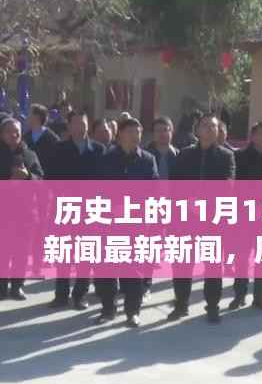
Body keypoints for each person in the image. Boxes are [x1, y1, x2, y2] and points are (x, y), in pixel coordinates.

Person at [169, 113, 235, 324]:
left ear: (218, 131)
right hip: (185, 218)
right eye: (205, 125)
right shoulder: (185, 154)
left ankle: (212, 306)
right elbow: (174, 185)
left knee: (213, 266)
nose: (209, 129)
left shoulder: (226, 156)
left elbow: (228, 185)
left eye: (213, 126)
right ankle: (181, 304)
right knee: (182, 265)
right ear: (197, 130)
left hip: (212, 220)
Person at [95, 118, 159, 328]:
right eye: (130, 131)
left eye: (138, 132)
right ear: (120, 134)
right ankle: (108, 309)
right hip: (109, 223)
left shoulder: (147, 160)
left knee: (134, 271)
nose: (135, 136)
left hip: (136, 224)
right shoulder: (107, 159)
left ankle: (132, 312)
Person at [48, 111, 106, 310]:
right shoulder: (59, 149)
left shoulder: (98, 150)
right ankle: (61, 295)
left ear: (88, 125)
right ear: (69, 126)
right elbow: (50, 178)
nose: (80, 127)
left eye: (83, 123)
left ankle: (80, 295)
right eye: (76, 123)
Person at [229, 122, 262, 311]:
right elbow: (236, 185)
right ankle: (239, 295)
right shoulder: (239, 157)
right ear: (252, 136)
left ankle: (259, 296)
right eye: (261, 134)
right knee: (242, 257)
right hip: (244, 214)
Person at [0, 118, 44, 301]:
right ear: (2, 134)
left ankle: (17, 286)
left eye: (17, 131)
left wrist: (28, 177)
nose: (14, 134)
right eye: (9, 131)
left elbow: (41, 181)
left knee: (21, 252)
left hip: (25, 213)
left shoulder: (30, 155)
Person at [143, 116, 179, 299]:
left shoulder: (180, 156)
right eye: (158, 130)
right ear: (153, 133)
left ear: (172, 132)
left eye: (166, 129)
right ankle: (145, 284)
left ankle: (180, 288)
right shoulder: (144, 155)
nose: (163, 134)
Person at [24, 104, 60, 178]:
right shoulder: (25, 137)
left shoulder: (52, 139)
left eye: (29, 114)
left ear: (37, 117)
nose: (27, 117)